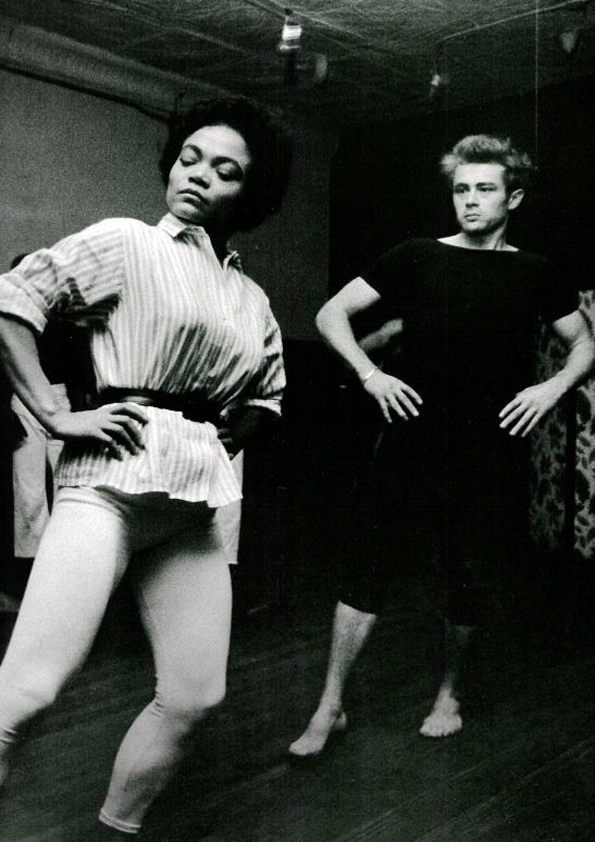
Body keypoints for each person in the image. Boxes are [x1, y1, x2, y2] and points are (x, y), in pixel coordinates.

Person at [0, 95, 291, 838]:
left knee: (194, 697)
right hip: (106, 490)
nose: (198, 174)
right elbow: (12, 301)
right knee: (28, 692)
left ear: (250, 193)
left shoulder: (250, 297)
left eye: (224, 169)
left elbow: (270, 393)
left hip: (188, 510)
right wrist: (55, 414)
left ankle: (116, 830)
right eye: (189, 158)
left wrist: (227, 432)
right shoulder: (127, 242)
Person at [289, 134, 594, 758]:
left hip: (492, 444)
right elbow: (329, 315)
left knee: (466, 572)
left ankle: (449, 694)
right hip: (413, 434)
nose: (470, 200)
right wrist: (370, 375)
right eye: (461, 190)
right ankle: (330, 705)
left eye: (484, 189)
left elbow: (584, 344)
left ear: (513, 198)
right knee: (367, 564)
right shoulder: (417, 255)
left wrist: (552, 388)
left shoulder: (536, 271)